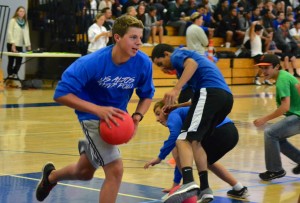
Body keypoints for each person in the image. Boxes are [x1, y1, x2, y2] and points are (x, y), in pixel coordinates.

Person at [35, 15, 155, 202]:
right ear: (117, 37)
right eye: (133, 37)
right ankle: (91, 140)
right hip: (91, 117)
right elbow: (61, 93)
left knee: (84, 173)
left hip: (115, 119)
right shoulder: (91, 62)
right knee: (115, 170)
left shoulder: (143, 63)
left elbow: (147, 95)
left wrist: (137, 117)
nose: (139, 42)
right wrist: (97, 110)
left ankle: (51, 177)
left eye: (140, 38)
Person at [151, 44, 233, 203]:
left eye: (161, 63)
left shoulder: (177, 54)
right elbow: (195, 100)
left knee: (182, 139)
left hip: (210, 93)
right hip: (225, 98)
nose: (163, 68)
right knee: (196, 142)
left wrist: (176, 89)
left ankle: (188, 183)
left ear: (167, 54)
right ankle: (205, 189)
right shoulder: (188, 70)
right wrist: (176, 106)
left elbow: (192, 64)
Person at [144, 100, 249, 201]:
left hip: (219, 130)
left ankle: (190, 186)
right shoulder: (184, 114)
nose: (157, 119)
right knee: (206, 161)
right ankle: (239, 188)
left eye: (158, 114)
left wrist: (159, 157)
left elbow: (175, 139)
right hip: (231, 132)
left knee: (178, 148)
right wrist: (175, 185)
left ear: (166, 110)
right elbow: (182, 157)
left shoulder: (173, 114)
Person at [253, 54, 300, 181]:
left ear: (277, 67)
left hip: (298, 116)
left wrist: (264, 119)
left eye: (267, 68)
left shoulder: (282, 80)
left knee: (270, 133)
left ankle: (275, 170)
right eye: (262, 68)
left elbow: (285, 107)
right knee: (277, 138)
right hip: (297, 114)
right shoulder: (283, 77)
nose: (263, 71)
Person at [6, 6, 31, 78]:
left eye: (23, 11)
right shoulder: (13, 20)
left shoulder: (25, 22)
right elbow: (10, 32)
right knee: (11, 60)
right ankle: (10, 75)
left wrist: (28, 45)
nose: (22, 12)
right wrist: (13, 44)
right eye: (20, 11)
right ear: (17, 12)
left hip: (20, 44)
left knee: (19, 61)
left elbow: (27, 33)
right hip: (12, 44)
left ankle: (14, 73)